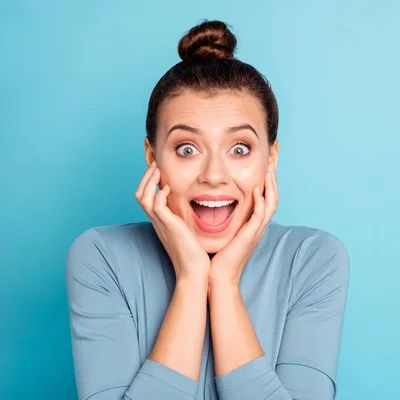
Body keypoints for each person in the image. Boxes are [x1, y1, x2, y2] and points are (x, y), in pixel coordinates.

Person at [65, 20, 350, 400]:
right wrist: (191, 278)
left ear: (271, 158)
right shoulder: (101, 257)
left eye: (239, 149)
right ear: (153, 157)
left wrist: (225, 283)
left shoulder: (312, 259)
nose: (214, 175)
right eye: (187, 149)